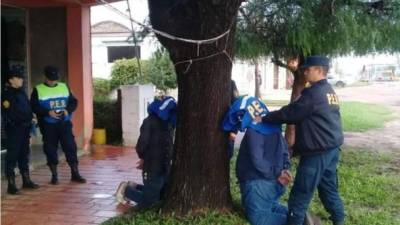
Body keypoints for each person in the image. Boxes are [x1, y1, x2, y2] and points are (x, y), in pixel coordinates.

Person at [255, 56, 345, 225]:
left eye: (308, 69)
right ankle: (339, 220)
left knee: (299, 197)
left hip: (317, 153)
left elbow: (291, 113)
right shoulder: (329, 91)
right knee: (329, 189)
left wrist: (265, 118)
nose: (304, 72)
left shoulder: (314, 93)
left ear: (319, 70)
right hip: (331, 149)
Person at [223, 96, 292, 225]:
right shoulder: (274, 124)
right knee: (270, 206)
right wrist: (284, 170)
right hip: (275, 182)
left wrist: (276, 173)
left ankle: (300, 221)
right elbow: (285, 152)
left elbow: (257, 159)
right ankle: (299, 214)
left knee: (258, 218)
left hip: (258, 182)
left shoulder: (254, 129)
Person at [116, 96, 177, 209]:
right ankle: (126, 190)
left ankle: (134, 187)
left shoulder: (169, 123)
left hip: (164, 166)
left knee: (161, 195)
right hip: (153, 166)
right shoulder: (150, 122)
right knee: (150, 203)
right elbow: (141, 145)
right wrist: (144, 158)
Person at [30, 66, 86, 184]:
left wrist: (67, 110)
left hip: (64, 123)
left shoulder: (64, 86)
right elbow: (34, 106)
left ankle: (75, 173)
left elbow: (73, 102)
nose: (53, 81)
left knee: (70, 147)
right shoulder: (38, 89)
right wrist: (48, 112)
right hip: (48, 125)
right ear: (45, 77)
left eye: (55, 79)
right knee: (50, 149)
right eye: (51, 79)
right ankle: (54, 175)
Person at [1, 65, 39, 194]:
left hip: (25, 128)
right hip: (14, 129)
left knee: (24, 154)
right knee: (12, 156)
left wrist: (32, 117)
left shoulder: (21, 92)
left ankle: (26, 180)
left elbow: (27, 108)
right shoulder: (7, 95)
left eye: (21, 77)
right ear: (11, 80)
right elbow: (11, 113)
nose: (21, 80)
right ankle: (11, 185)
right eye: (18, 78)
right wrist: (25, 119)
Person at [227, 79, 239, 158]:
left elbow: (237, 106)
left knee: (228, 153)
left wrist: (234, 131)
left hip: (229, 126)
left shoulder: (231, 83)